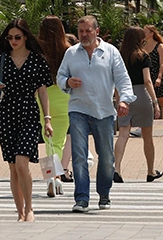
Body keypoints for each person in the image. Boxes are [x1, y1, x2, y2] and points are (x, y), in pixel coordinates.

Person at [57, 15, 133, 214]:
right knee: (79, 156)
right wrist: (67, 82)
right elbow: (60, 76)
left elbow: (123, 79)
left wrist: (124, 99)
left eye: (88, 31)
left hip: (104, 111)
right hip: (78, 109)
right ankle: (81, 198)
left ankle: (104, 193)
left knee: (107, 157)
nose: (83, 35)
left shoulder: (110, 52)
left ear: (96, 31)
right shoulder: (71, 53)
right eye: (81, 31)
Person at [0, 19, 54, 222]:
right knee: (13, 166)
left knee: (22, 164)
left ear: (25, 36)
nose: (13, 41)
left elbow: (42, 92)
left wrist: (48, 119)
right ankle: (20, 212)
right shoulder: (1, 60)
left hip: (29, 114)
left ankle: (30, 207)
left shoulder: (37, 60)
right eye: (10, 37)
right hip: (6, 115)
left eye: (17, 37)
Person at [114, 26, 162, 183]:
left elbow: (115, 82)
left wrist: (118, 99)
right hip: (141, 95)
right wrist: (155, 102)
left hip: (124, 95)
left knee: (123, 135)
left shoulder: (119, 57)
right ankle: (150, 171)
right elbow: (147, 81)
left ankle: (117, 169)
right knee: (147, 136)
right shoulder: (143, 56)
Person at [38, 16, 72, 197]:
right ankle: (57, 177)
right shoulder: (68, 50)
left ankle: (51, 177)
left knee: (48, 139)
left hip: (42, 95)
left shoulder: (36, 50)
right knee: (58, 140)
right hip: (63, 95)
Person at [144, 24, 163, 127]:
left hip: (158, 77)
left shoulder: (159, 46)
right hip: (147, 77)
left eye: (145, 32)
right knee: (146, 103)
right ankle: (143, 126)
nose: (144, 34)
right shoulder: (143, 46)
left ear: (152, 33)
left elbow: (162, 62)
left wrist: (159, 77)